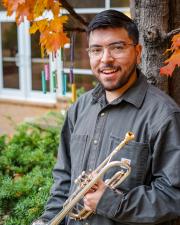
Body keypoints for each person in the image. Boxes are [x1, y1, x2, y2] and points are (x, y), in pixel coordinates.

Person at [32, 9, 180, 225]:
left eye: (117, 48)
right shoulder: (79, 108)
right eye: (96, 50)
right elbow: (64, 178)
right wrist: (48, 219)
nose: (105, 59)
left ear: (138, 52)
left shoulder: (163, 115)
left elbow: (174, 196)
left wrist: (113, 202)